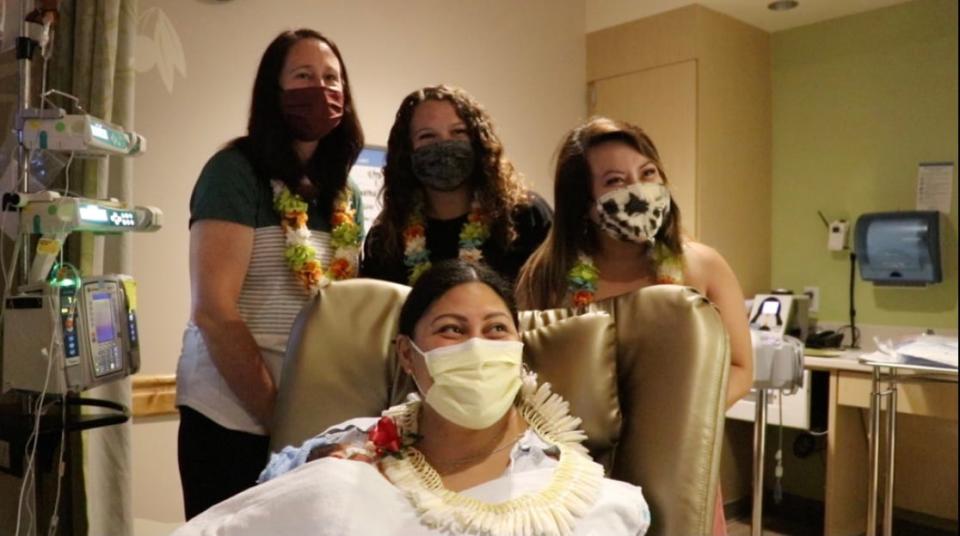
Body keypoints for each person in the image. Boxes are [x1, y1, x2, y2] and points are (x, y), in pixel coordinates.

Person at [172, 260, 651, 536]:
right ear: (407, 355)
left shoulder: (570, 491)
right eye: (451, 330)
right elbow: (271, 507)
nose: (477, 347)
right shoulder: (351, 444)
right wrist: (325, 467)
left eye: (496, 330)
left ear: (518, 347)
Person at [515, 117, 752, 535]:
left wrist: (678, 421)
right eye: (614, 181)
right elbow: (526, 377)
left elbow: (739, 367)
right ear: (583, 203)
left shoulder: (704, 266)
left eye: (647, 174)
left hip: (680, 464)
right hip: (579, 471)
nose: (638, 191)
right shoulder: (546, 278)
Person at [175, 29, 365, 519]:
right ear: (273, 91)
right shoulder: (234, 172)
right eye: (303, 76)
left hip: (311, 422)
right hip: (231, 419)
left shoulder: (346, 195)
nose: (321, 89)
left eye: (332, 78)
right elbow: (215, 312)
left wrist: (312, 423)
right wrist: (278, 417)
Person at [360, 85, 552, 286]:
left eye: (458, 132)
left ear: (478, 142)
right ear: (407, 151)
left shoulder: (525, 216)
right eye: (427, 136)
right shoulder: (386, 238)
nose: (445, 144)